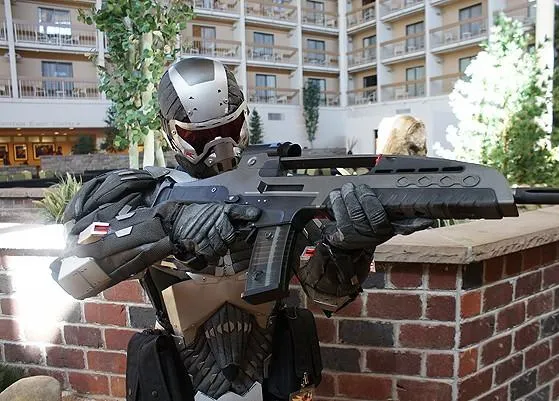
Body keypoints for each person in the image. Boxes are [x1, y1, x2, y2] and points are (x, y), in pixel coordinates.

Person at [50, 57, 432, 401]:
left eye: (230, 127)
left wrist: (349, 246)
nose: (220, 146)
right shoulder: (149, 192)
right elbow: (70, 268)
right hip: (180, 373)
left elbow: (330, 295)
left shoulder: (278, 186)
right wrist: (169, 225)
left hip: (271, 368)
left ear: (244, 118)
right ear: (171, 132)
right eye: (199, 137)